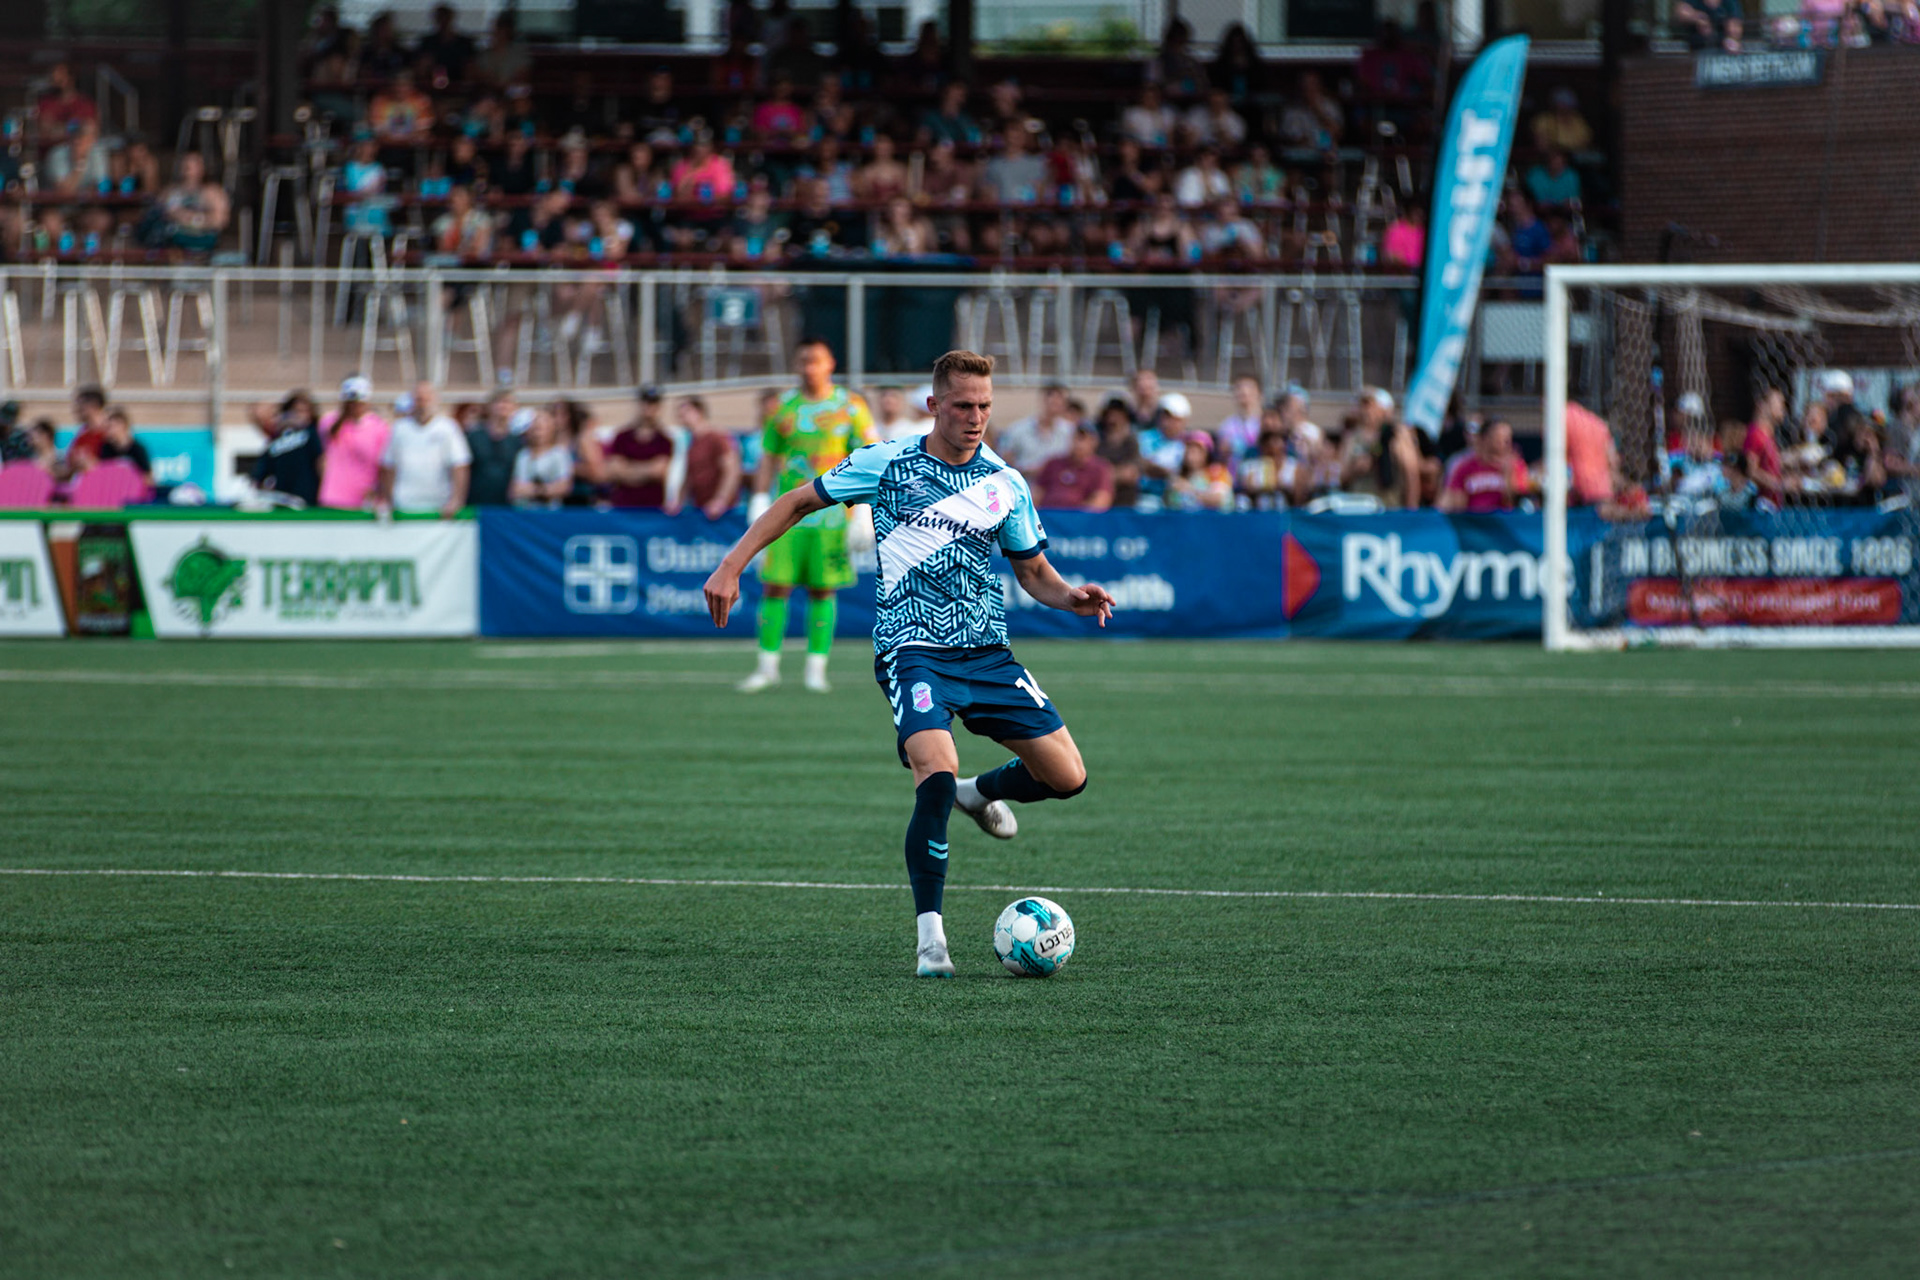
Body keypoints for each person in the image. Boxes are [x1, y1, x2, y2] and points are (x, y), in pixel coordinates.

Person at [701, 350, 1116, 978]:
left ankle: (978, 793)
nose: (975, 417)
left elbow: (1033, 572)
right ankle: (931, 941)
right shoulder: (886, 461)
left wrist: (1070, 597)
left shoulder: (1006, 482)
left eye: (984, 406)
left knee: (1068, 778)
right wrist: (732, 564)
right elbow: (796, 502)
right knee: (934, 770)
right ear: (934, 405)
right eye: (963, 405)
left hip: (987, 654)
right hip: (912, 650)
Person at [739, 338, 874, 694]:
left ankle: (817, 668)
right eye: (803, 360)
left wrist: (863, 510)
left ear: (831, 363)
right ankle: (767, 667)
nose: (809, 367)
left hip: (832, 517)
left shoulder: (850, 406)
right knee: (775, 585)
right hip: (787, 516)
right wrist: (758, 498)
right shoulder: (783, 407)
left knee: (823, 590)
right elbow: (769, 457)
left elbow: (866, 460)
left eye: (816, 360)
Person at [378, 383, 471, 518]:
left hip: (439, 504)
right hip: (404, 503)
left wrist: (456, 500)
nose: (422, 404)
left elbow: (459, 465)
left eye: (426, 399)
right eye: (418, 399)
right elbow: (388, 465)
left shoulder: (448, 428)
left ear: (435, 400)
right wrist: (389, 498)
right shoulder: (399, 429)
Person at [317, 375, 392, 511]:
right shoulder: (329, 422)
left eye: (359, 402)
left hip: (365, 499)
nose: (355, 406)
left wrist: (380, 491)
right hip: (333, 497)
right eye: (351, 402)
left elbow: (383, 465)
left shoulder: (379, 427)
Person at [672, 396, 743, 519]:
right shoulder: (692, 443)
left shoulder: (717, 437)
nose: (682, 418)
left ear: (699, 412)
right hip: (701, 510)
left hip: (722, 514)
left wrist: (720, 501)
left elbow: (732, 471)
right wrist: (678, 502)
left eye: (686, 412)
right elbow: (688, 478)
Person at [1439, 418, 1531, 512]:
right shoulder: (1465, 467)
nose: (1503, 443)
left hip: (1505, 519)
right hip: (1473, 519)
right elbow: (1453, 502)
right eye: (1498, 437)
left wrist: (1509, 474)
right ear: (1485, 438)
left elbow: (1519, 502)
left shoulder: (1517, 466)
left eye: (1507, 438)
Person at [251, 390, 325, 506]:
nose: (300, 416)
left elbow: (320, 462)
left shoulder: (312, 434)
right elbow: (261, 471)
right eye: (296, 411)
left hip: (308, 498)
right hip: (283, 499)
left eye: (304, 411)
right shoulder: (276, 439)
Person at [605, 385, 675, 509]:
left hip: (652, 508)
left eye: (652, 404)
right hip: (624, 506)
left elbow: (659, 471)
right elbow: (616, 470)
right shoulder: (622, 437)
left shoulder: (664, 441)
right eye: (645, 402)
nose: (648, 407)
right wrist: (648, 469)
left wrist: (629, 468)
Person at [994, 385, 1077, 479]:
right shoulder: (1018, 429)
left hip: (1057, 483)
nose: (1055, 404)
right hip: (1025, 480)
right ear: (1044, 400)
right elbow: (1005, 457)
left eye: (1060, 401)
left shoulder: (1070, 431)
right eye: (1052, 400)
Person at [1034, 425, 1115, 512]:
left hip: (1078, 517)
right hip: (1047, 514)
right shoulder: (1053, 463)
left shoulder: (1100, 468)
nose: (1079, 444)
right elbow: (1037, 493)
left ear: (1094, 442)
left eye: (1083, 439)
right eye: (1076, 438)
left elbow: (1101, 500)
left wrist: (1077, 515)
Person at [464, 389, 523, 506]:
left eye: (507, 403)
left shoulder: (518, 441)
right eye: (499, 402)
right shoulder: (473, 437)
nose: (503, 406)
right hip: (476, 502)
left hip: (507, 504)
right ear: (489, 407)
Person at [508, 407, 574, 508]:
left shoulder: (560, 454)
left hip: (551, 512)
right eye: (534, 429)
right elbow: (516, 489)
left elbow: (564, 487)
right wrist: (548, 489)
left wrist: (534, 490)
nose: (537, 433)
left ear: (551, 429)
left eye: (541, 428)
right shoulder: (523, 455)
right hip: (525, 511)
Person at [97, 407, 152, 485]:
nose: (107, 431)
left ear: (122, 425)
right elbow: (101, 474)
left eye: (110, 427)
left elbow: (147, 477)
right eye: (106, 427)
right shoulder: (106, 448)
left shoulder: (137, 449)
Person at [1216, 375, 1265, 460]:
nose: (1244, 391)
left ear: (1259, 394)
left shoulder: (1266, 423)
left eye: (1250, 388)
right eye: (1239, 388)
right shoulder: (1226, 426)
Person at [67, 385, 111, 474]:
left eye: (80, 406)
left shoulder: (110, 433)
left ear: (93, 405)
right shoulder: (83, 433)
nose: (76, 410)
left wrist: (93, 464)